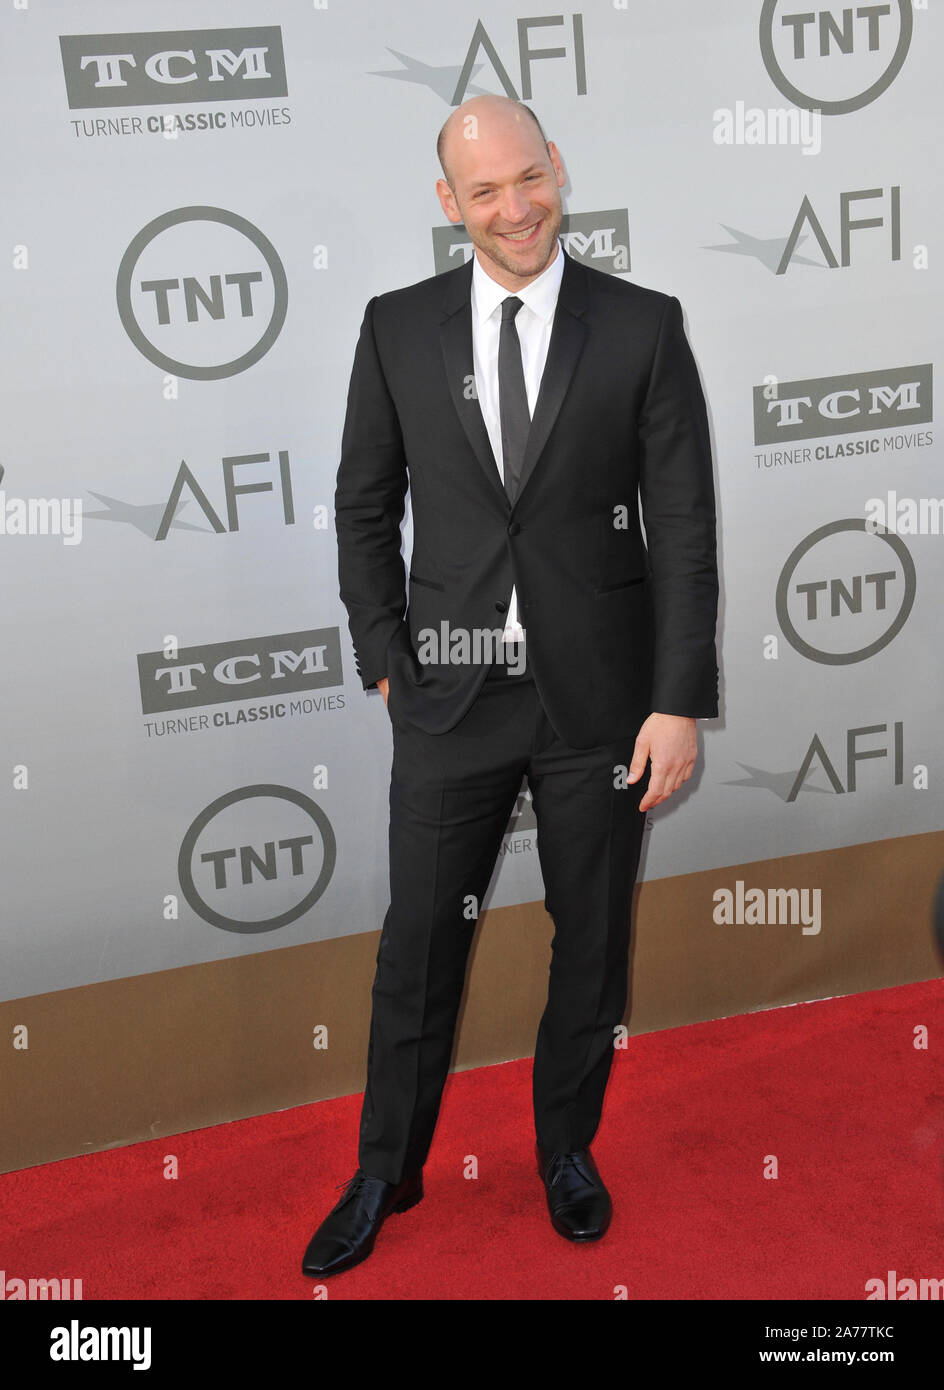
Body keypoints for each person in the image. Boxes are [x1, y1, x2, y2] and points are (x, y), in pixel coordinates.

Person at [302, 94, 719, 1278]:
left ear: (558, 170)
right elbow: (361, 503)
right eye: (483, 190)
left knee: (590, 941)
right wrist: (385, 653)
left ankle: (566, 1151)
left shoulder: (640, 326)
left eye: (526, 178)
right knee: (417, 947)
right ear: (449, 204)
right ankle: (387, 1163)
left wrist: (675, 697)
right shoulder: (396, 328)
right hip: (448, 696)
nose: (513, 206)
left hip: (604, 700)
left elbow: (681, 527)